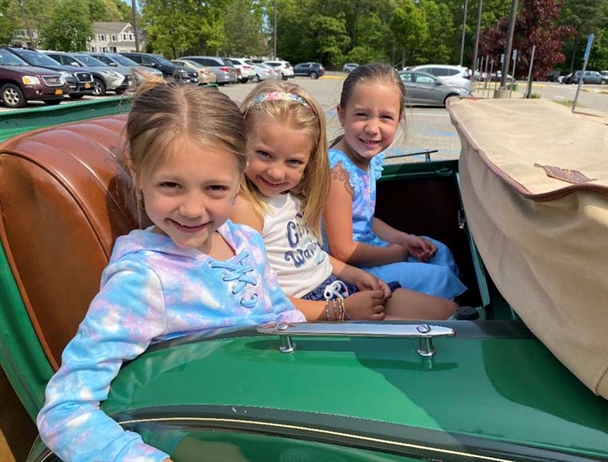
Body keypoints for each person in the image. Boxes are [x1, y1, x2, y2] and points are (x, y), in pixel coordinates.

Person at [36, 74, 306, 462]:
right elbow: (64, 410)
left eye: (215, 188)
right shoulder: (144, 279)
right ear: (139, 172)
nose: (193, 210)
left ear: (240, 173)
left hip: (264, 406)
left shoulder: (247, 242)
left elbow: (283, 316)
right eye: (171, 186)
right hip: (194, 429)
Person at [231, 81, 458, 321]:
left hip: (335, 286)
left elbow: (311, 256)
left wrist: (355, 275)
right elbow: (257, 296)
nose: (277, 173)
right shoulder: (246, 209)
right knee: (433, 331)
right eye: (264, 154)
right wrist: (339, 310)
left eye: (294, 162)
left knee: (450, 314)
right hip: (312, 309)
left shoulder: (291, 195)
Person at [324, 63, 466, 301]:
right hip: (351, 271)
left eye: (385, 117)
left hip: (370, 250)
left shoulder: (366, 160)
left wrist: (404, 240)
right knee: (439, 278)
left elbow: (367, 220)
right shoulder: (338, 172)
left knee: (440, 252)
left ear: (398, 120)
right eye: (361, 115)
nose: (372, 128)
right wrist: (397, 253)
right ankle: (447, 317)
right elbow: (342, 251)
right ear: (341, 115)